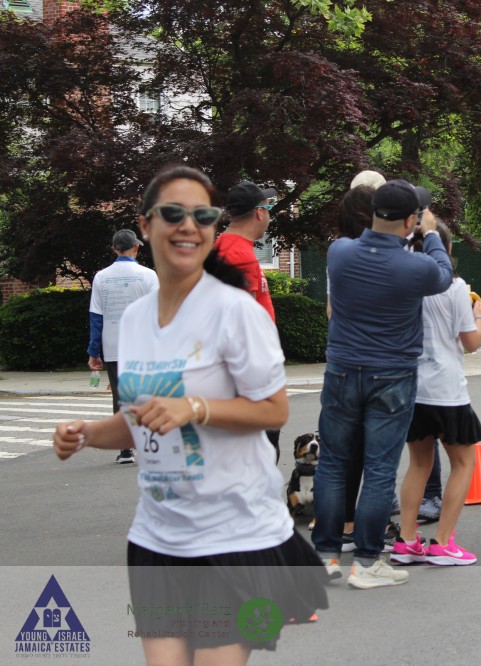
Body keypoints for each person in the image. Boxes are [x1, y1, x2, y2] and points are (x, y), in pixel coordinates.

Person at [54, 165, 327, 664]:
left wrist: (195, 408)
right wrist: (87, 433)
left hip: (232, 535)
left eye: (202, 215)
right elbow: (139, 419)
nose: (188, 225)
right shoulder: (135, 320)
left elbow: (274, 408)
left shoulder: (236, 311)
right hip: (157, 537)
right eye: (173, 213)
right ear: (144, 225)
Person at [312, 178, 452, 589]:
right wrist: (430, 234)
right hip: (392, 374)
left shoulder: (340, 252)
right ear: (410, 220)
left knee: (333, 463)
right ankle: (368, 562)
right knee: (379, 468)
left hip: (342, 369)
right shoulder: (416, 267)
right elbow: (443, 274)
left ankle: (325, 555)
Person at [392, 222, 481, 566]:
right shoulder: (455, 286)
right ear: (445, 250)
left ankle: (406, 540)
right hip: (446, 389)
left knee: (419, 463)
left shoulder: (402, 286)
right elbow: (470, 342)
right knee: (463, 462)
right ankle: (443, 542)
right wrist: (480, 318)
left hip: (412, 385)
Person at [216, 180, 282, 462]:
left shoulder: (232, 247)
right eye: (269, 208)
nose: (269, 216)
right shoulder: (237, 254)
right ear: (258, 213)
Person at [87, 229, 158, 464]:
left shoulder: (101, 277)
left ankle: (125, 449)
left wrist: (94, 351)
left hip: (114, 346)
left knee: (120, 396)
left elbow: (96, 317)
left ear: (114, 249)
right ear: (136, 247)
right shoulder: (148, 276)